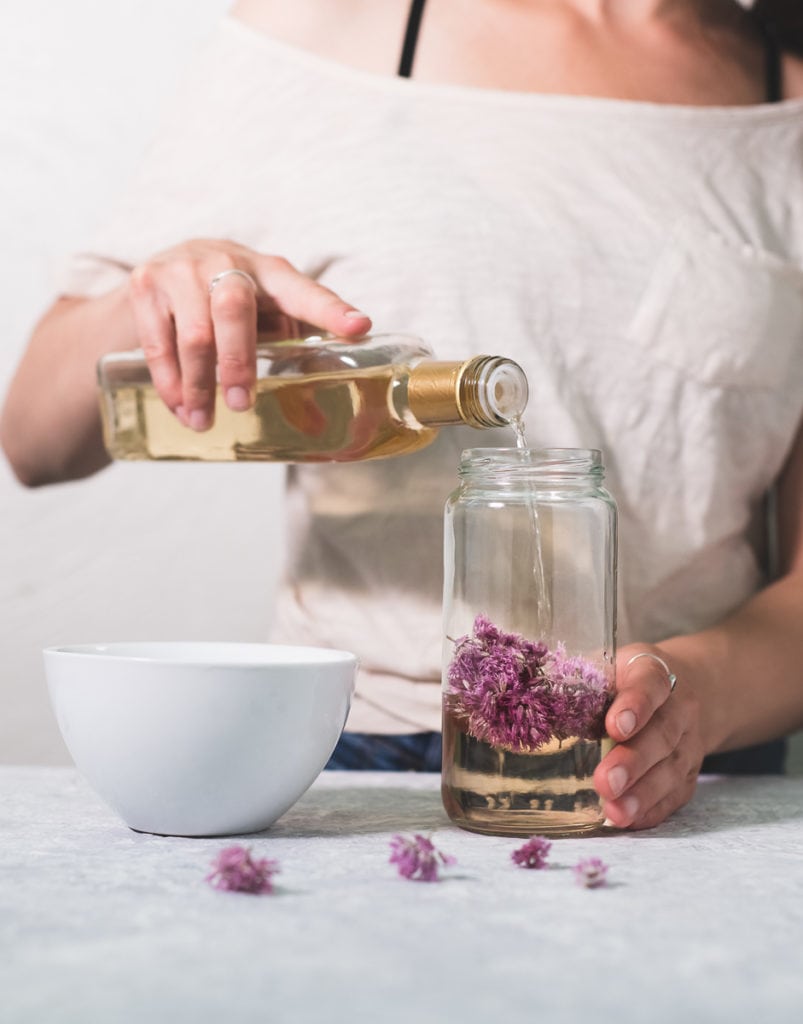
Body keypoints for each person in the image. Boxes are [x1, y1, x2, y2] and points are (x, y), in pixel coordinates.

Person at [3, 0, 803, 830]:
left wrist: (695, 693)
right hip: (350, 756)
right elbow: (33, 438)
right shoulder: (323, 32)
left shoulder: (784, 102)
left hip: (684, 765)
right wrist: (168, 299)